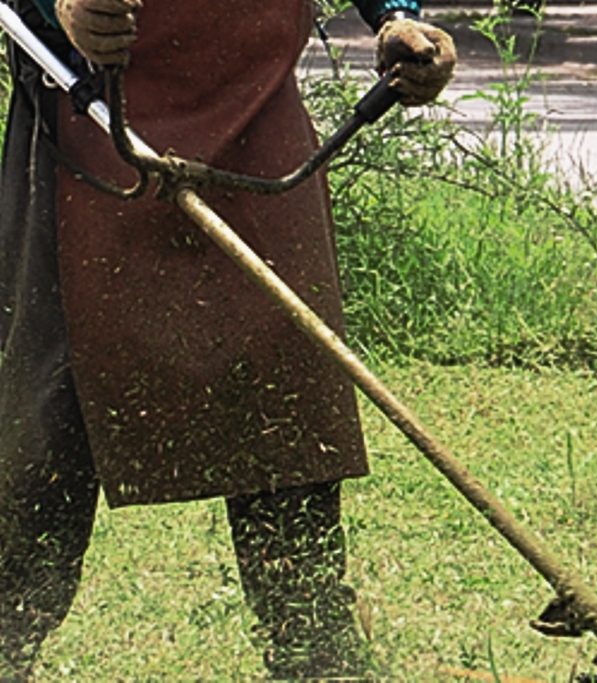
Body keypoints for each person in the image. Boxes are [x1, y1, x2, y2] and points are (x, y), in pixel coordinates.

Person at [0, 0, 455, 678]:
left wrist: (397, 15)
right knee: (45, 424)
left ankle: (312, 646)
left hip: (255, 109)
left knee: (289, 388)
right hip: (88, 110)